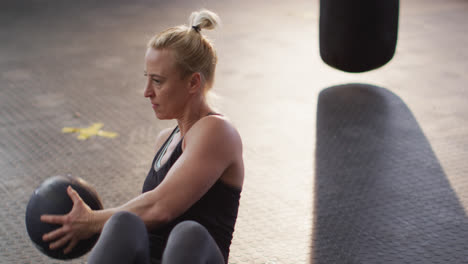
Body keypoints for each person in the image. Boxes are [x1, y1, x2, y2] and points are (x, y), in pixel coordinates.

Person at [40, 9, 244, 264]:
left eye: (158, 81)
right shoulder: (165, 140)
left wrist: (91, 221)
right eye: (147, 79)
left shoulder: (217, 132)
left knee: (187, 234)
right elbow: (146, 216)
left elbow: (161, 207)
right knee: (124, 223)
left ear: (193, 83)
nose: (147, 92)